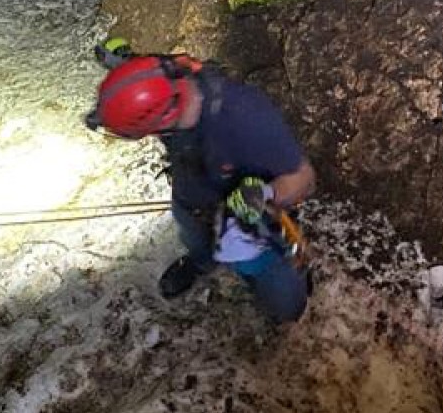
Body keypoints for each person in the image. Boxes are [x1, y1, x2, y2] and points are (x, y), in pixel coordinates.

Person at [85, 41, 315, 322]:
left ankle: (289, 306)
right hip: (192, 194)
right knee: (194, 236)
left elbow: (303, 177)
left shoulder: (245, 117)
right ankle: (200, 261)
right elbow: (134, 75)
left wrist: (267, 193)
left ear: (161, 119)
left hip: (252, 221)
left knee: (280, 298)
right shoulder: (161, 76)